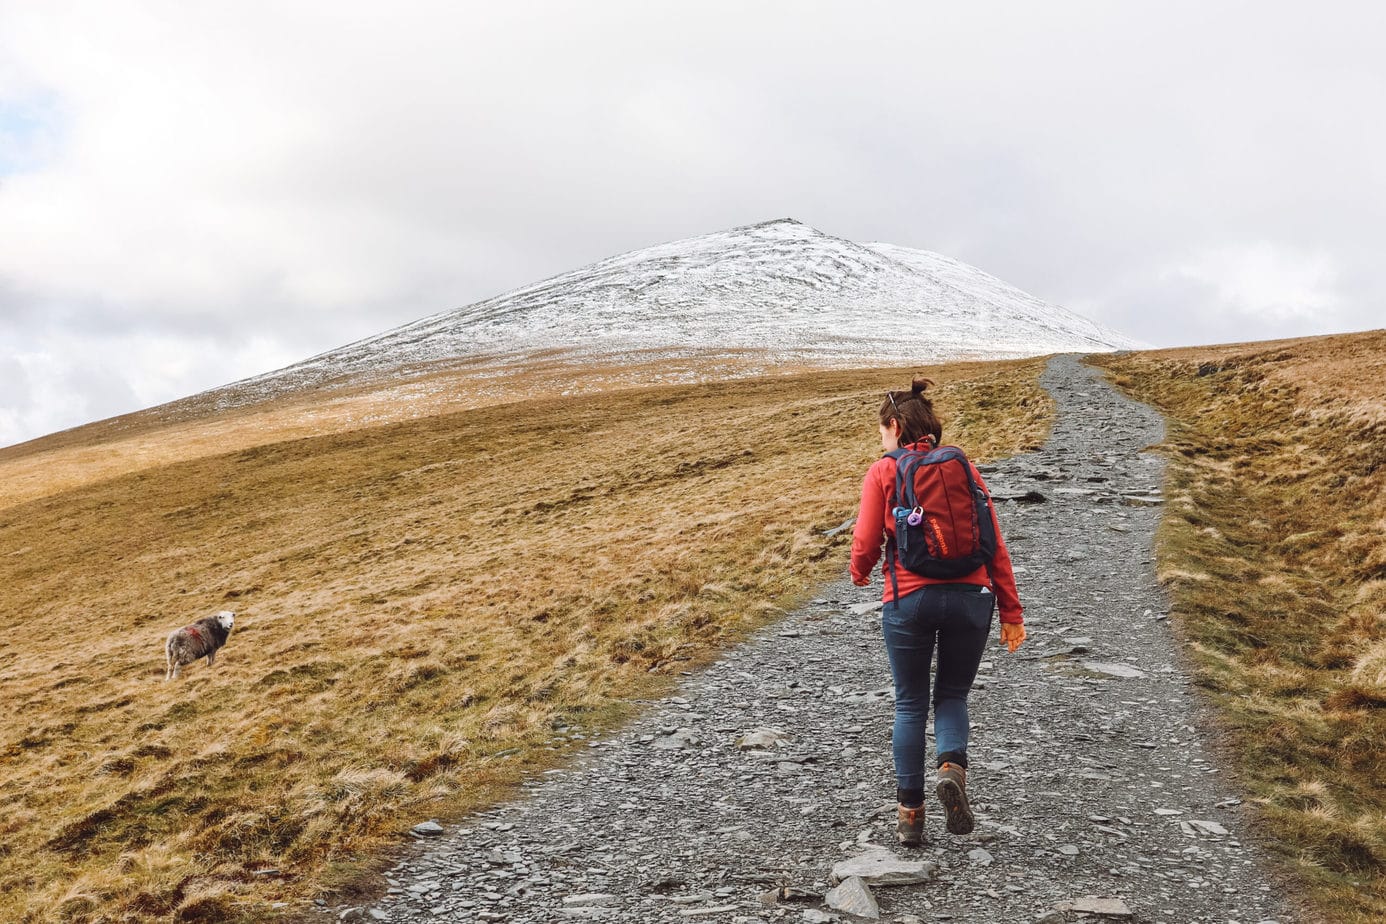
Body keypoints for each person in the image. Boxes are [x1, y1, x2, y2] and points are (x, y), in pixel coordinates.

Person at [849, 377, 1025, 847]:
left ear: (893, 425)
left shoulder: (884, 470)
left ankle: (910, 816)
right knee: (952, 694)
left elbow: (866, 541)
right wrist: (1011, 610)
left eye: (881, 431)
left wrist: (860, 570)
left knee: (909, 703)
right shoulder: (962, 465)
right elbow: (994, 540)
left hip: (909, 599)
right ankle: (951, 768)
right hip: (973, 597)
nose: (880, 439)